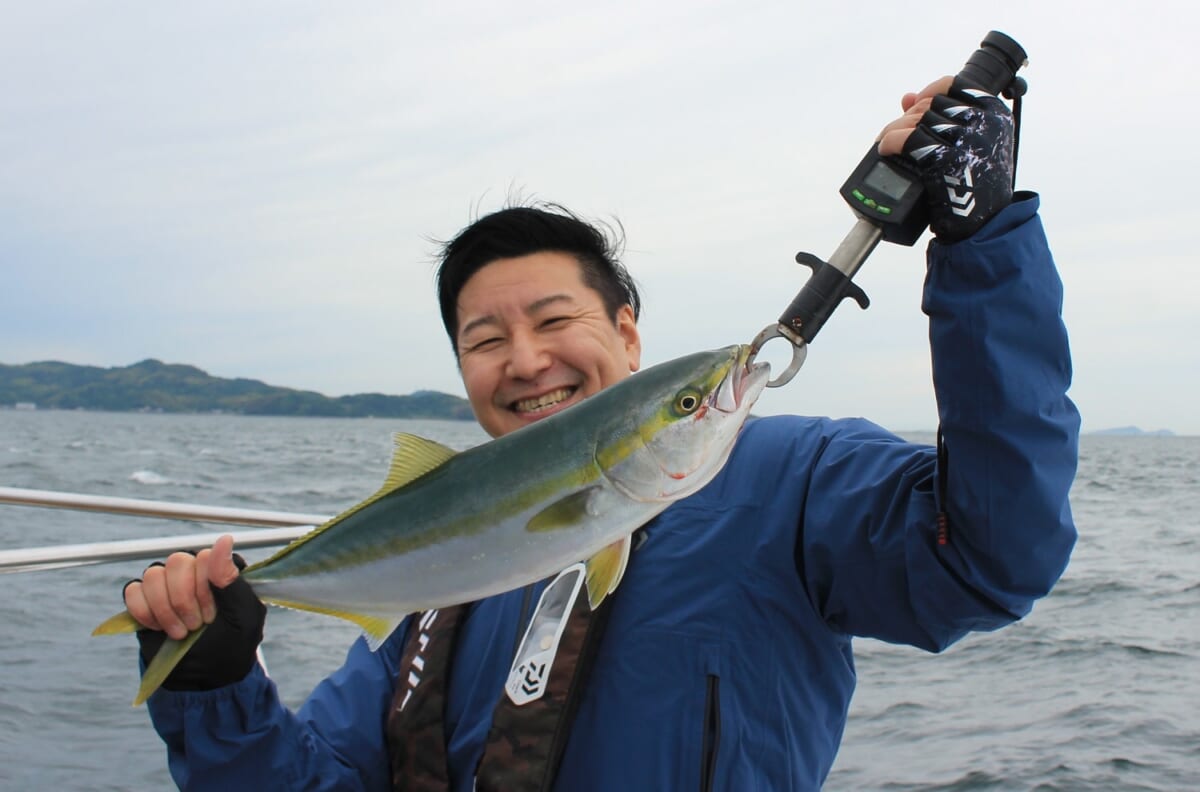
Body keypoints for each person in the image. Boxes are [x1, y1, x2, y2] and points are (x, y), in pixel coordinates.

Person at [122, 76, 1079, 790]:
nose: (526, 361)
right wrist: (214, 687)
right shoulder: (431, 578)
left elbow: (991, 558)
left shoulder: (790, 478)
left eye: (554, 320)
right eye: (485, 340)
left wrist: (980, 242)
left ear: (626, 327)